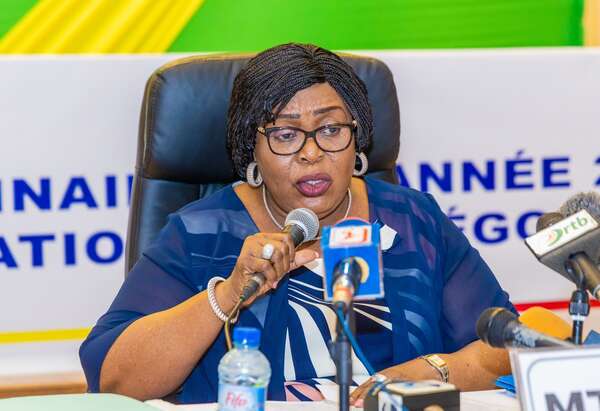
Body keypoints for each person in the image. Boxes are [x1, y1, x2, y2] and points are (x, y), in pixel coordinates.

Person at [80, 43, 513, 405]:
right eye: (285, 135)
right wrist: (227, 294)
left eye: (331, 129)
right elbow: (115, 380)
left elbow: (506, 346)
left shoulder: (415, 221)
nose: (311, 153)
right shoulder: (200, 235)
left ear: (358, 139)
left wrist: (434, 370)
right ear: (251, 147)